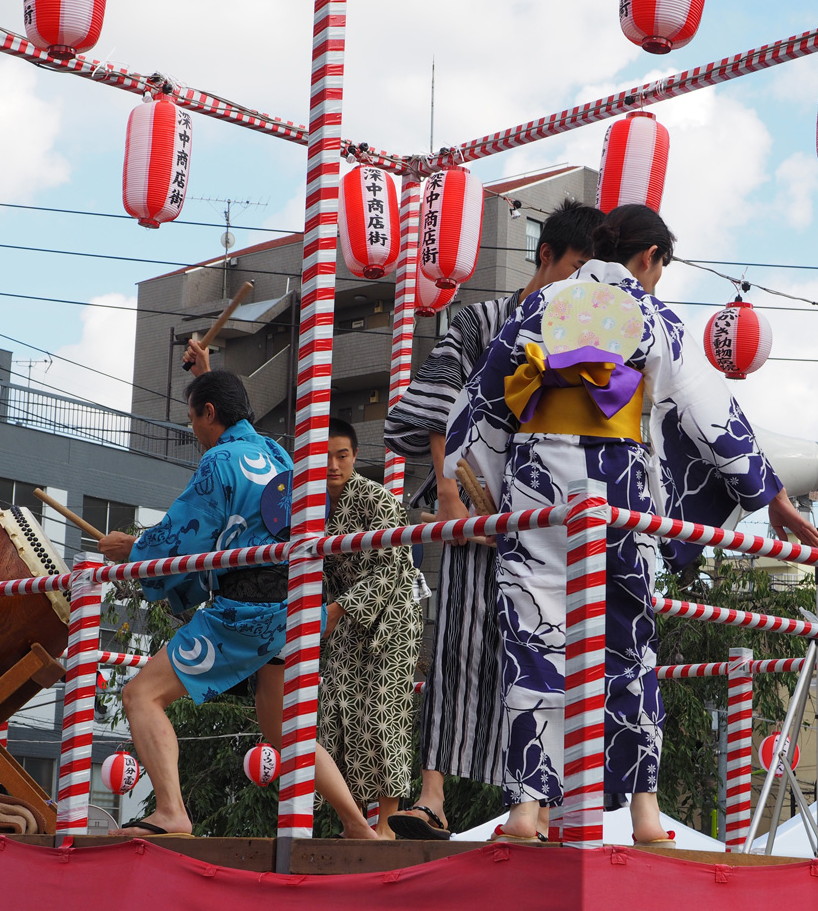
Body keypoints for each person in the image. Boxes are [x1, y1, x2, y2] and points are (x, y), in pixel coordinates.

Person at [445, 204, 818, 845]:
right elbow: (711, 414)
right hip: (616, 492)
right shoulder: (652, 316)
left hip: (540, 488)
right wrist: (771, 493)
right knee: (629, 646)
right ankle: (644, 814)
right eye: (660, 269)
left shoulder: (538, 305)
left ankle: (526, 812)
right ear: (648, 258)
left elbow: (483, 403)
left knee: (535, 644)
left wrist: (474, 482)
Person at [382, 198, 605, 840]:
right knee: (457, 643)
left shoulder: (589, 334)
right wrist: (449, 496)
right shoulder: (483, 319)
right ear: (545, 256)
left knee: (542, 654)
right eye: (575, 266)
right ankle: (432, 796)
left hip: (551, 523)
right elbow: (441, 402)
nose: (581, 283)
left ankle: (535, 802)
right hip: (479, 511)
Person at [99, 371, 376, 839]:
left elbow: (182, 535)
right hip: (294, 605)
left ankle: (170, 812)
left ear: (210, 413)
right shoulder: (276, 454)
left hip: (247, 609)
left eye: (193, 419)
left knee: (141, 695)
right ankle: (357, 825)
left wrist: (134, 549)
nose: (193, 432)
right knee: (283, 727)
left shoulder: (220, 461)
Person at [319, 419, 422, 839]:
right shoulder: (309, 505)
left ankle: (386, 825)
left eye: (341, 456)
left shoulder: (376, 497)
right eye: (324, 456)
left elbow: (393, 566)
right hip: (342, 614)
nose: (332, 465)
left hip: (393, 613)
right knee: (341, 709)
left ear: (354, 456)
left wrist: (337, 609)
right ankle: (354, 819)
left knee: (384, 712)